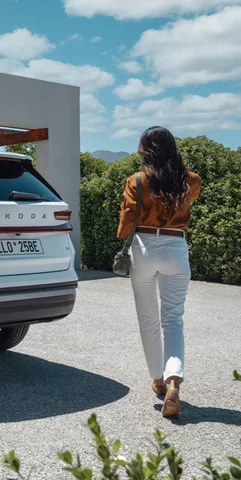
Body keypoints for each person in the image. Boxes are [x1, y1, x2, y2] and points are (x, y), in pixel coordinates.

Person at [117, 126, 201, 419]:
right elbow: (186, 203)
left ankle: (157, 380)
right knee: (173, 319)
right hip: (175, 246)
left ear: (145, 150)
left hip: (143, 247)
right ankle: (173, 379)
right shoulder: (191, 180)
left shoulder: (137, 181)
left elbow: (126, 222)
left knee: (148, 319)